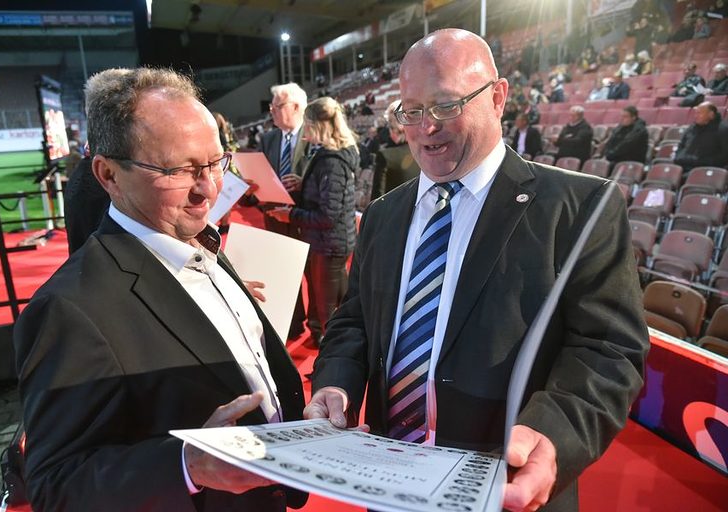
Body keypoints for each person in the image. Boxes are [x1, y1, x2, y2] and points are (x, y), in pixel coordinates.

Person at [305, 29, 648, 512]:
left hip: (503, 485)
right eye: (411, 111)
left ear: (498, 97)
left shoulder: (581, 207)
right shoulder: (382, 214)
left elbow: (607, 349)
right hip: (388, 481)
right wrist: (335, 381)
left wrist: (553, 434)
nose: (427, 127)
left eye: (446, 105)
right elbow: (355, 319)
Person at [14, 68, 307, 512]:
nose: (208, 188)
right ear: (109, 175)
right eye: (179, 169)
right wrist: (188, 464)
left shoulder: (198, 238)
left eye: (215, 162)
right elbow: (56, 485)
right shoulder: (68, 309)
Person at [266, 97, 357, 347]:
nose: (304, 128)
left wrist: (289, 215)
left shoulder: (332, 161)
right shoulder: (332, 156)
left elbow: (327, 216)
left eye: (307, 123)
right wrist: (304, 183)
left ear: (317, 125)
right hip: (331, 243)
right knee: (338, 305)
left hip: (329, 245)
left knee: (330, 314)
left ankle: (333, 355)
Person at [257, 82, 310, 339]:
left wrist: (303, 182)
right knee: (285, 270)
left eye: (277, 106)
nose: (272, 111)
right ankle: (294, 321)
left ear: (296, 107)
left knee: (312, 273)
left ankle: (320, 326)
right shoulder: (268, 139)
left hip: (307, 215)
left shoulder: (314, 134)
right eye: (271, 107)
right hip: (275, 215)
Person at [674, 101, 728, 172]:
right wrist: (678, 157)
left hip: (707, 170)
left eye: (699, 113)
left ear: (711, 114)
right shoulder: (692, 128)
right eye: (696, 113)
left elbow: (724, 156)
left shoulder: (723, 129)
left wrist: (700, 161)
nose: (696, 116)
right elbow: (681, 145)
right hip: (684, 166)